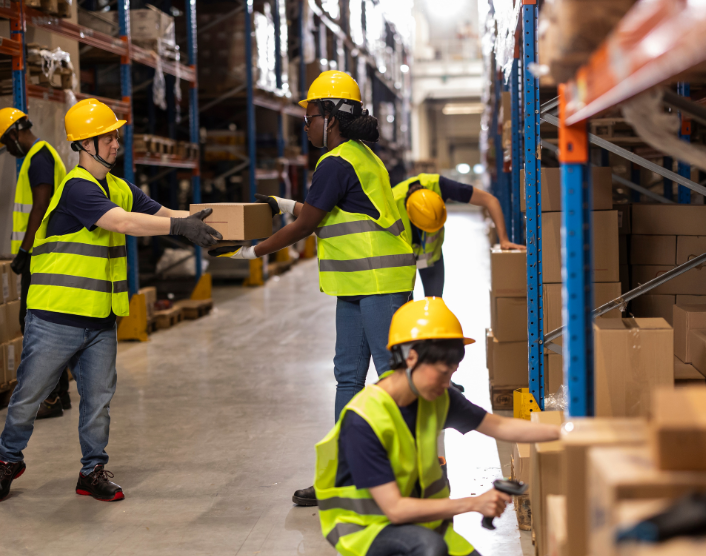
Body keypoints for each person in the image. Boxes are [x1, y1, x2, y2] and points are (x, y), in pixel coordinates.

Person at [0, 99, 222, 504]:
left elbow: (165, 213)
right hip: (56, 317)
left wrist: (213, 227)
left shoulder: (120, 187)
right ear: (84, 144)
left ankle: (92, 471)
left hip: (99, 318)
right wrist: (179, 226)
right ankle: (7, 463)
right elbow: (123, 223)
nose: (115, 142)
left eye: (115, 135)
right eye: (107, 137)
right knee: (29, 396)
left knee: (98, 402)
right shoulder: (77, 188)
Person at [210, 70, 416, 507]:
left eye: (310, 115)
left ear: (333, 117)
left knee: (394, 380)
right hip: (359, 284)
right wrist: (281, 204)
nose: (305, 125)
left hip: (380, 285)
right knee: (347, 379)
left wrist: (249, 253)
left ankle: (406, 475)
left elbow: (307, 225)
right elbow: (328, 212)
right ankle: (341, 475)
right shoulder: (356, 156)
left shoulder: (339, 160)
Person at [315, 297, 560, 556]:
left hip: (423, 523)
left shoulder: (436, 395)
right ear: (411, 357)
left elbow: (500, 427)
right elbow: (395, 509)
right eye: (442, 372)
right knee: (430, 549)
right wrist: (474, 503)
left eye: (452, 373)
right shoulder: (364, 420)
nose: (447, 383)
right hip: (367, 529)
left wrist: (564, 432)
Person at [0, 107, 73, 420]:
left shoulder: (38, 157)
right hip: (46, 254)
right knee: (45, 325)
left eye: (5, 142)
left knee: (35, 326)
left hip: (40, 256)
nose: (8, 149)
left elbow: (40, 205)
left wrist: (24, 252)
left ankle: (49, 398)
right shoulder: (42, 154)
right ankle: (59, 394)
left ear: (14, 133)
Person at [393, 174, 525, 298]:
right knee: (404, 308)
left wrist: (504, 239)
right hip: (401, 263)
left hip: (432, 258)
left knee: (435, 304)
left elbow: (490, 200)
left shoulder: (440, 186)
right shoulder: (391, 202)